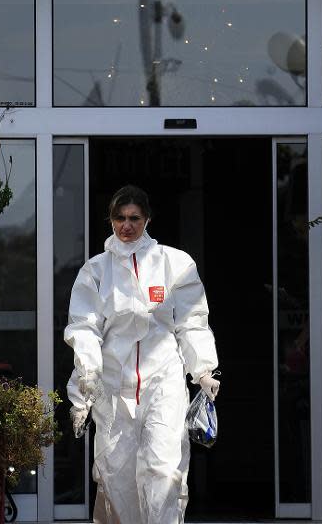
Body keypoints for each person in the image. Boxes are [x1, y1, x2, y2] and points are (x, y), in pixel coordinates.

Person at [64, 184, 219, 524]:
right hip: (114, 388)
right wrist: (83, 390)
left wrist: (204, 369)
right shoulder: (96, 271)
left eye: (134, 217)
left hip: (163, 383)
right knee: (115, 477)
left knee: (164, 471)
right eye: (119, 218)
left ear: (147, 219)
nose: (127, 225)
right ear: (110, 220)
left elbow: (192, 320)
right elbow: (84, 329)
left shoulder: (175, 263)